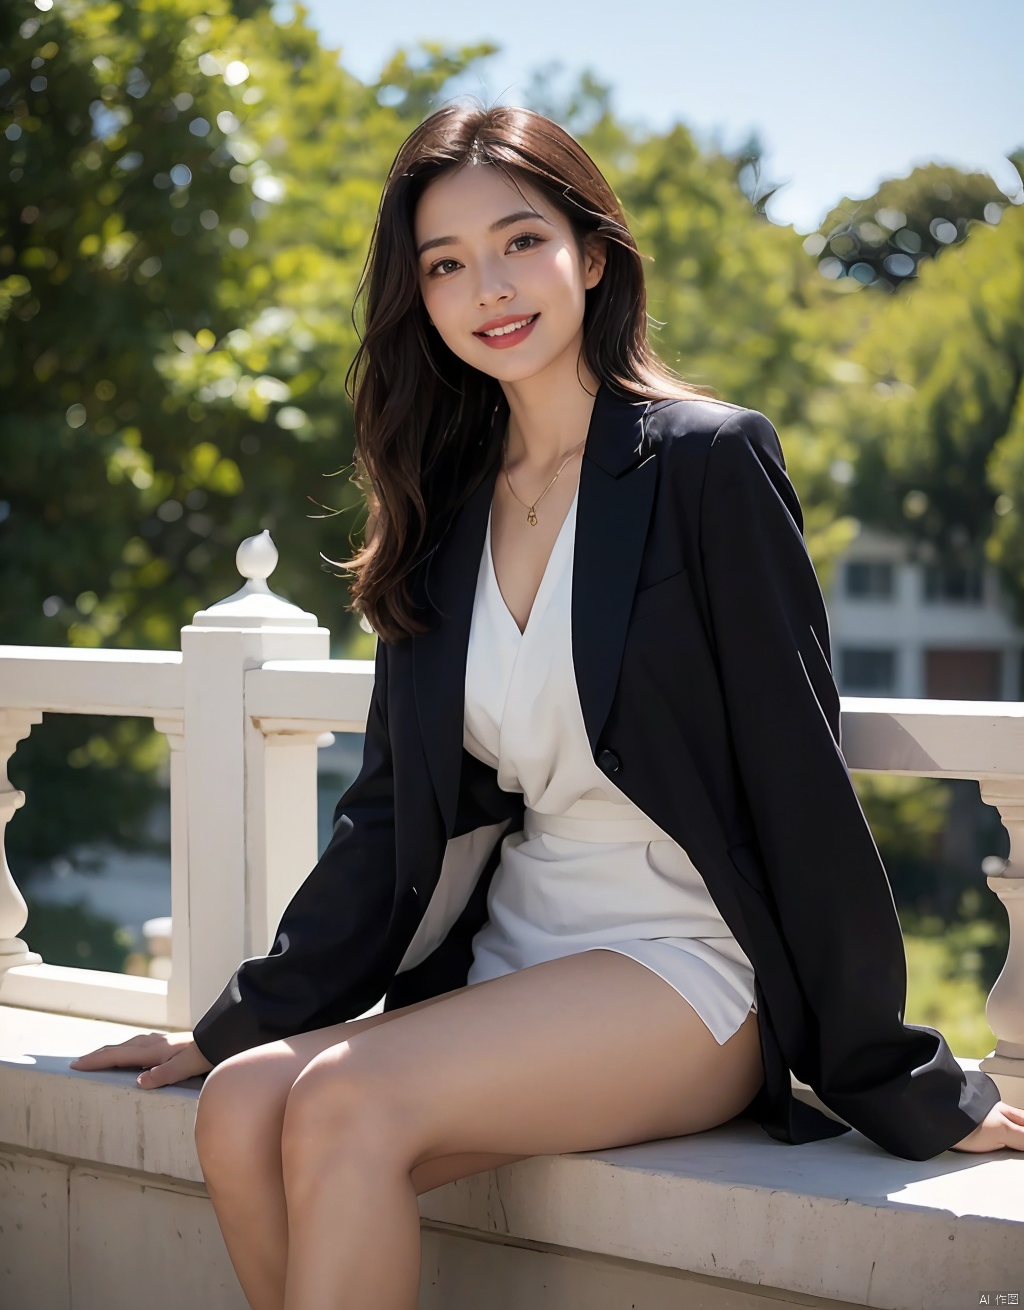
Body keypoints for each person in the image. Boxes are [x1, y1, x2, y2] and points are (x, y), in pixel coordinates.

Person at [72, 104, 1023, 1310]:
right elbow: (388, 815)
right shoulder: (444, 504)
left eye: (520, 241)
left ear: (591, 248)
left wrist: (906, 1081)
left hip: (688, 964)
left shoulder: (705, 463)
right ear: (417, 297)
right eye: (447, 264)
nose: (491, 287)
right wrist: (227, 1028)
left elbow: (798, 779)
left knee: (338, 1102)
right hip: (523, 952)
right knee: (247, 1101)